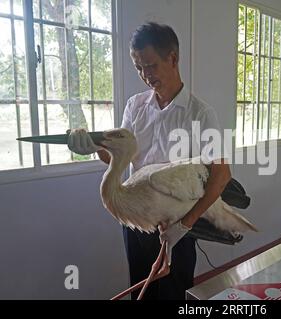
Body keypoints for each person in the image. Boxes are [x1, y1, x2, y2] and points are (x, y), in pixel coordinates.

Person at [67, 22, 231, 300]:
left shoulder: (201, 114)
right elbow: (116, 159)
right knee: (141, 288)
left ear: (173, 58)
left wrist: (185, 225)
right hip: (135, 217)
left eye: (151, 66)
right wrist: (93, 147)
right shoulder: (135, 106)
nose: (145, 75)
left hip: (176, 225)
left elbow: (222, 174)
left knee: (172, 293)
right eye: (138, 67)